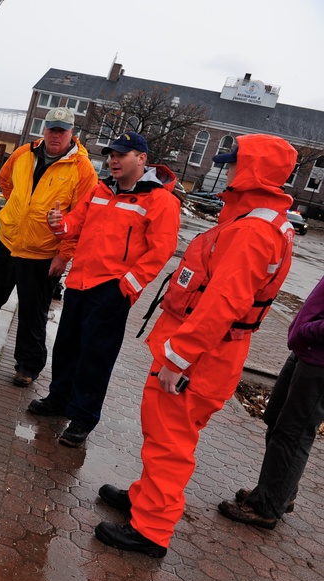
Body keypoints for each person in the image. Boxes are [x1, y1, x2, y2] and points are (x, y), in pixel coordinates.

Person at [94, 133, 298, 558]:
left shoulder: (254, 230)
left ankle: (151, 530)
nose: (226, 169)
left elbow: (224, 302)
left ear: (254, 170)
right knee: (162, 434)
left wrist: (180, 358)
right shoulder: (256, 220)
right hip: (203, 351)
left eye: (234, 163)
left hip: (201, 356)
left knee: (171, 443)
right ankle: (144, 499)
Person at [27, 132, 181, 447]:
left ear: (141, 159)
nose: (113, 160)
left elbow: (160, 251)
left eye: (121, 154)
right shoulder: (100, 190)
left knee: (95, 357)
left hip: (111, 290)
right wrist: (59, 224)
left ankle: (82, 418)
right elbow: (75, 224)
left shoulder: (159, 200)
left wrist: (128, 286)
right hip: (80, 281)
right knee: (67, 346)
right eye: (111, 154)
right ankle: (59, 399)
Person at [0, 107, 98, 387]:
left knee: (33, 312)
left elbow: (83, 217)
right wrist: (20, 209)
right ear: (44, 129)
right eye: (51, 128)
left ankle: (27, 366)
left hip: (42, 253)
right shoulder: (23, 153)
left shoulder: (83, 169)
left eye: (62, 130)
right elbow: (5, 180)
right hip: (7, 241)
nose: (56, 135)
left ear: (71, 134)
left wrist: (63, 256)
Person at [218, 273, 324, 528]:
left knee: (294, 433)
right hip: (307, 350)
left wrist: (307, 329)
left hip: (319, 358)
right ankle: (280, 493)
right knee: (276, 418)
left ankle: (266, 507)